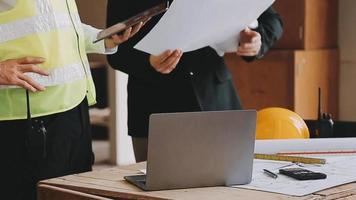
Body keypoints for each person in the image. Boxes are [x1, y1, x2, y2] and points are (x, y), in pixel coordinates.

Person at [0, 0, 145, 199]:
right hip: (24, 118)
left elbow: (63, 27)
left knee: (75, 193)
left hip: (74, 110)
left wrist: (101, 38)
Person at [107, 0, 283, 162]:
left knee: (230, 188)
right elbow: (114, 49)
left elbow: (272, 19)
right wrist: (148, 63)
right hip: (155, 108)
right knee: (162, 191)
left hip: (217, 100)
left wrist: (258, 41)